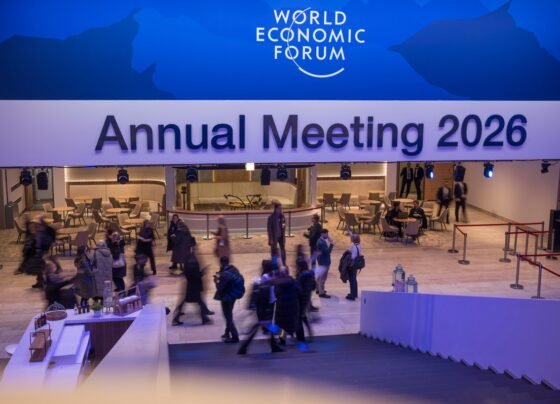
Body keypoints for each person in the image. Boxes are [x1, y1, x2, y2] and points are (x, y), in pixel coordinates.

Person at [238, 260, 282, 355]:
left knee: (264, 325)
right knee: (260, 326)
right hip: (265, 307)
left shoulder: (264, 278)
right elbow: (267, 294)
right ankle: (244, 347)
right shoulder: (266, 279)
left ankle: (274, 346)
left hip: (265, 305)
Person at [173, 253, 214, 326]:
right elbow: (196, 276)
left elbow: (187, 274)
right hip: (194, 287)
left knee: (187, 303)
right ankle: (204, 319)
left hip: (190, 287)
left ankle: (176, 318)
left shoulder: (187, 264)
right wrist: (203, 272)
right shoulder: (194, 265)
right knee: (199, 302)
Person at [214, 256, 244, 343]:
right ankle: (227, 333)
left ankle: (235, 336)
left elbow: (220, 287)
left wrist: (216, 281)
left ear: (221, 263)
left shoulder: (225, 275)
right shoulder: (234, 269)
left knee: (228, 317)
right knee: (229, 315)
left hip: (227, 297)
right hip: (234, 295)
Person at [273, 269, 301, 347]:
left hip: (281, 306)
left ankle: (282, 339)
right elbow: (299, 291)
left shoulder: (278, 283)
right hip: (292, 305)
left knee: (282, 324)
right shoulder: (294, 281)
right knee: (292, 321)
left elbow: (276, 293)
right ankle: (293, 336)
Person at [295, 257, 315, 343]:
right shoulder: (310, 274)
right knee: (303, 317)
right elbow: (314, 287)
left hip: (301, 299)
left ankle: (301, 338)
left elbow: (297, 288)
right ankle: (310, 334)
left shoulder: (301, 276)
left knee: (299, 318)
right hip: (307, 298)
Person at [315, 229, 334, 298]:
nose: (327, 235)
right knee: (323, 278)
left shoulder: (320, 241)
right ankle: (321, 292)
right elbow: (328, 251)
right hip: (324, 261)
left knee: (320, 276)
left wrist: (329, 239)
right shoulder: (321, 243)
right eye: (326, 234)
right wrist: (331, 244)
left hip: (321, 260)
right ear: (322, 234)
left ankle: (318, 289)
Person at [345, 231, 363, 301]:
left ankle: (352, 295)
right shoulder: (359, 245)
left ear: (353, 240)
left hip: (353, 265)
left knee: (352, 280)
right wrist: (350, 233)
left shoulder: (354, 247)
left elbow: (353, 257)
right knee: (354, 279)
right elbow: (353, 238)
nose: (351, 239)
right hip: (356, 264)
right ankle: (355, 293)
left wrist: (349, 251)